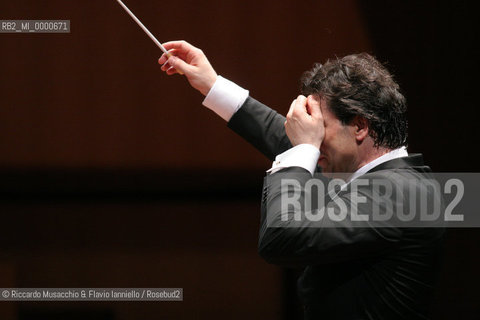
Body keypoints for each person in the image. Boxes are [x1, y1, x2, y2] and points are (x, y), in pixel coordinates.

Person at [158, 41, 444, 320]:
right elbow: (282, 137)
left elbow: (280, 237)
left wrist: (303, 150)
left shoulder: (402, 192)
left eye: (320, 129)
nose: (314, 141)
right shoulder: (382, 177)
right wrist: (212, 84)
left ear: (358, 126)